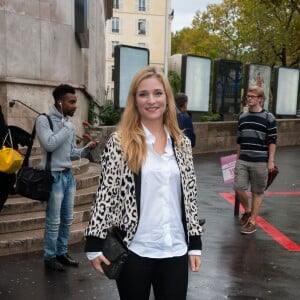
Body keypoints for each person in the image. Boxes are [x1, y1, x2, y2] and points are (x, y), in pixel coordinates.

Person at [85, 66, 203, 300]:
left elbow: (189, 195)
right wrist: (93, 243)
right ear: (134, 100)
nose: (151, 100)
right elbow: (106, 194)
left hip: (175, 248)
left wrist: (195, 242)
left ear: (167, 98)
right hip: (134, 249)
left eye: (158, 93)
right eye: (143, 94)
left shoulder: (182, 144)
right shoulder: (121, 142)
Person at [35, 84, 97, 271]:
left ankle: (62, 253)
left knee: (67, 218)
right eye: (71, 102)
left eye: (75, 102)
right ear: (60, 102)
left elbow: (69, 153)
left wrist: (86, 149)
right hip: (53, 177)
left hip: (68, 176)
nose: (75, 106)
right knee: (53, 220)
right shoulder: (44, 120)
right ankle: (50, 256)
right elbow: (49, 144)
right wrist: (67, 127)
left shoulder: (66, 124)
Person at [234, 85, 277, 234]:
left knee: (257, 192)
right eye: (248, 96)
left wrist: (271, 160)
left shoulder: (268, 118)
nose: (249, 99)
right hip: (243, 160)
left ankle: (252, 221)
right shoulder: (242, 117)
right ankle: (247, 210)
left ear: (260, 99)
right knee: (238, 188)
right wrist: (237, 159)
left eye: (252, 96)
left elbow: (272, 141)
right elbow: (239, 140)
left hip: (260, 161)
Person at [174, 92, 206, 227]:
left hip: (169, 158)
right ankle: (191, 221)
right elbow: (191, 140)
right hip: (182, 158)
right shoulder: (184, 117)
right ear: (184, 104)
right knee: (186, 191)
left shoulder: (167, 116)